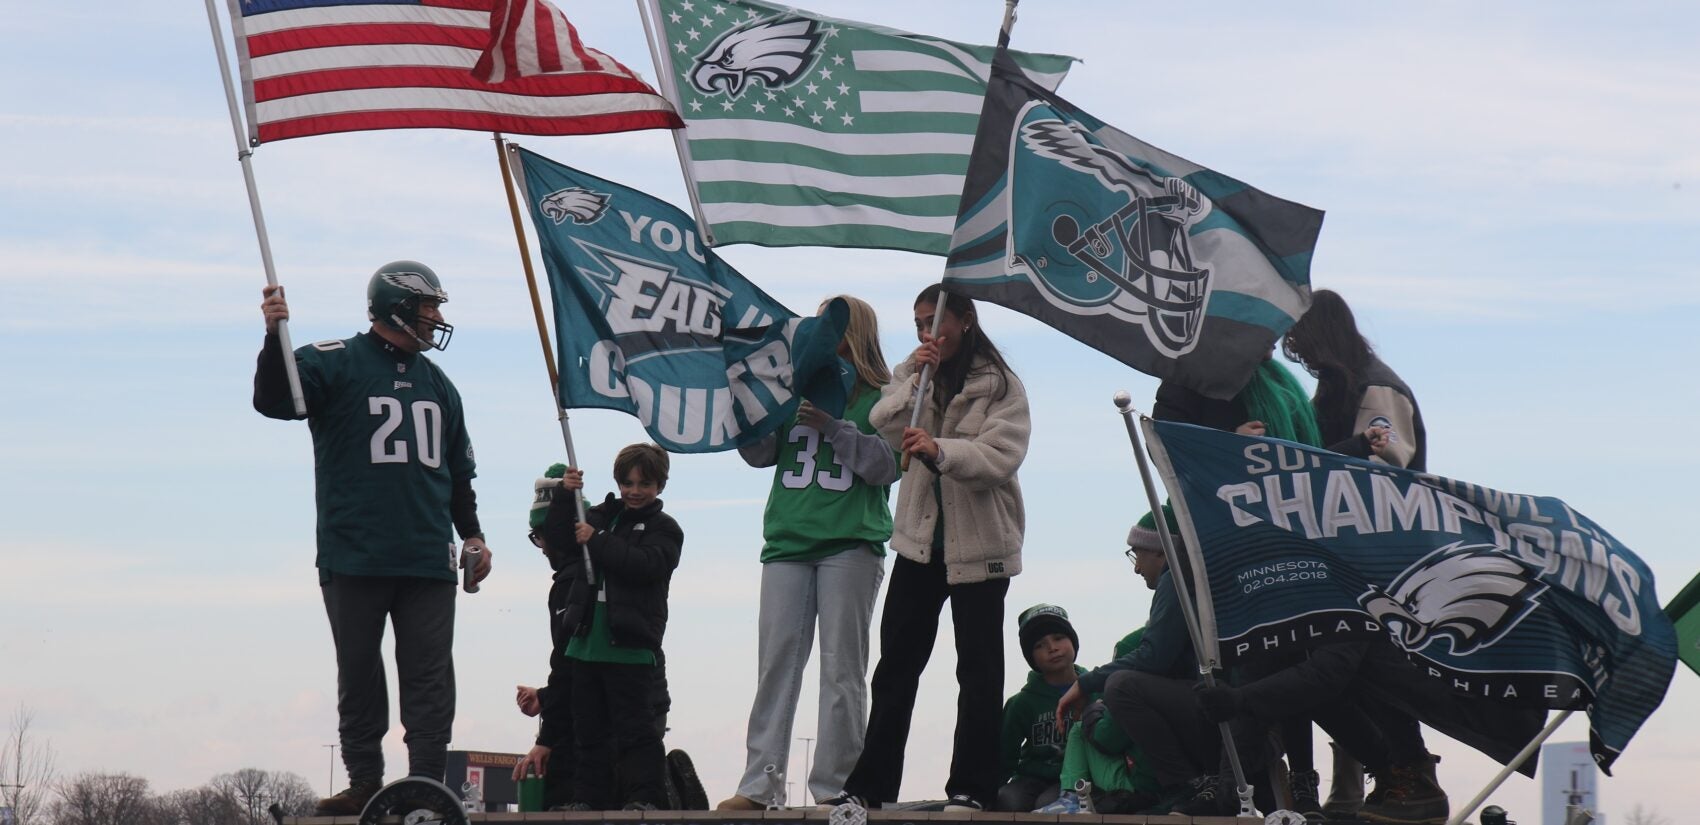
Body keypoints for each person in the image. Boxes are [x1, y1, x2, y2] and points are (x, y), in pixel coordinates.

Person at [252, 262, 492, 816]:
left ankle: (427, 781)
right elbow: (275, 401)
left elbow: (459, 475)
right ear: (398, 307)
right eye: (430, 307)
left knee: (429, 676)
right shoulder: (333, 361)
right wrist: (273, 337)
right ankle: (365, 779)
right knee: (359, 670)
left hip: (427, 556)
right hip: (355, 552)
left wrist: (473, 534)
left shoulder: (440, 384)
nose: (437, 318)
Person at [821, 284, 1031, 812]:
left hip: (982, 547)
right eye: (918, 323)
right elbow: (882, 425)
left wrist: (942, 450)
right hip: (918, 544)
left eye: (934, 322)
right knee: (896, 667)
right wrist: (917, 375)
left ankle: (972, 787)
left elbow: (1001, 456)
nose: (925, 333)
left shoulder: (1002, 384)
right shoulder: (913, 373)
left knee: (979, 672)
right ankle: (869, 786)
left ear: (964, 320)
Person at [718, 297, 899, 811]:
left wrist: (832, 424)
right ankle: (759, 785)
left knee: (842, 670)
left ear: (853, 335)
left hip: (850, 542)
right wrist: (743, 410)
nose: (819, 335)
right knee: (776, 665)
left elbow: (887, 467)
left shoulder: (883, 398)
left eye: (831, 327)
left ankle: (835, 787)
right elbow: (761, 455)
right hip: (787, 542)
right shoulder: (786, 390)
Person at [1282, 288, 1428, 817]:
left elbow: (1386, 467)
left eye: (1299, 338)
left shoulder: (1375, 390)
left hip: (1374, 554)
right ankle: (1369, 784)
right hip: (1355, 553)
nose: (1294, 349)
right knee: (1349, 671)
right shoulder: (1346, 384)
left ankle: (1406, 774)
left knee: (1368, 671)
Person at [543, 444, 682, 811]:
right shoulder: (601, 515)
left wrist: (598, 540)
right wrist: (564, 495)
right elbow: (559, 536)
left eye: (644, 483)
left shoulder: (665, 529)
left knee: (637, 731)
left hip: (631, 646)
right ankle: (588, 800)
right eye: (628, 483)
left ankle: (645, 799)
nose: (635, 491)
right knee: (587, 732)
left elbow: (644, 565)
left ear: (660, 485)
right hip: (587, 644)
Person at [1057, 509, 1222, 815]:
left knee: (1123, 685)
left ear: (1161, 551)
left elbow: (1153, 657)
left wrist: (1088, 683)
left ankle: (1184, 785)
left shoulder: (1176, 578)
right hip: (1241, 713)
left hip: (1222, 712)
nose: (1136, 569)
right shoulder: (1202, 577)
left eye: (1137, 555)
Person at [1282, 288, 1426, 472]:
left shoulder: (1377, 388)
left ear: (1321, 338)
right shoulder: (1336, 384)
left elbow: (1381, 472)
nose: (1299, 350)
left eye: (1302, 338)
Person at [995, 605, 1084, 812]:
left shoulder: (1094, 691)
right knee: (1007, 800)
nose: (1052, 648)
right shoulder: (1021, 703)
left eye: (1059, 637)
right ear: (1031, 658)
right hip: (1030, 778)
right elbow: (1004, 755)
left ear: (1073, 641)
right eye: (1039, 645)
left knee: (1047, 806)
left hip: (1077, 780)